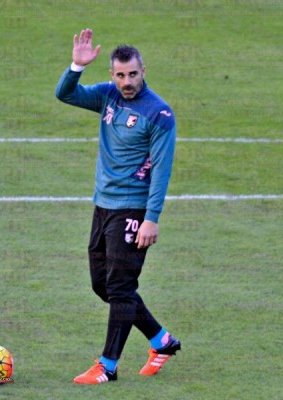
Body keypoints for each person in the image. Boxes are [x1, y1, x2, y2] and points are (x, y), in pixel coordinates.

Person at [55, 28, 181, 385]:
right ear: (112, 74)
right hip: (103, 206)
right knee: (103, 286)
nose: (127, 82)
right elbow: (65, 93)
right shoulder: (108, 96)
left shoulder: (159, 113)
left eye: (133, 74)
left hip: (133, 210)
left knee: (121, 288)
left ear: (144, 72)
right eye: (121, 75)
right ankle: (161, 340)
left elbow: (162, 170)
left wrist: (151, 219)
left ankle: (107, 366)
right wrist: (77, 67)